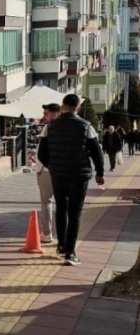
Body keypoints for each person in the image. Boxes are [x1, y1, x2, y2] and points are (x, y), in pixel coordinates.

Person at [38, 94, 105, 266]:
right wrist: (100, 173)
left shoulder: (50, 127)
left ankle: (61, 245)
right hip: (79, 175)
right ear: (78, 108)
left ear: (62, 107)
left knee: (61, 209)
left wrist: (53, 167)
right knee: (75, 213)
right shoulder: (86, 126)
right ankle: (70, 252)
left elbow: (42, 154)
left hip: (58, 175)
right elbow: (97, 152)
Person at [34, 103, 61, 244]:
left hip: (47, 171)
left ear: (55, 114)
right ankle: (63, 237)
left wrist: (48, 167)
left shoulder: (48, 128)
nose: (44, 116)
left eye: (46, 113)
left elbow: (42, 152)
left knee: (46, 202)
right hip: (65, 172)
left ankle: (47, 233)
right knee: (63, 204)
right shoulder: (74, 127)